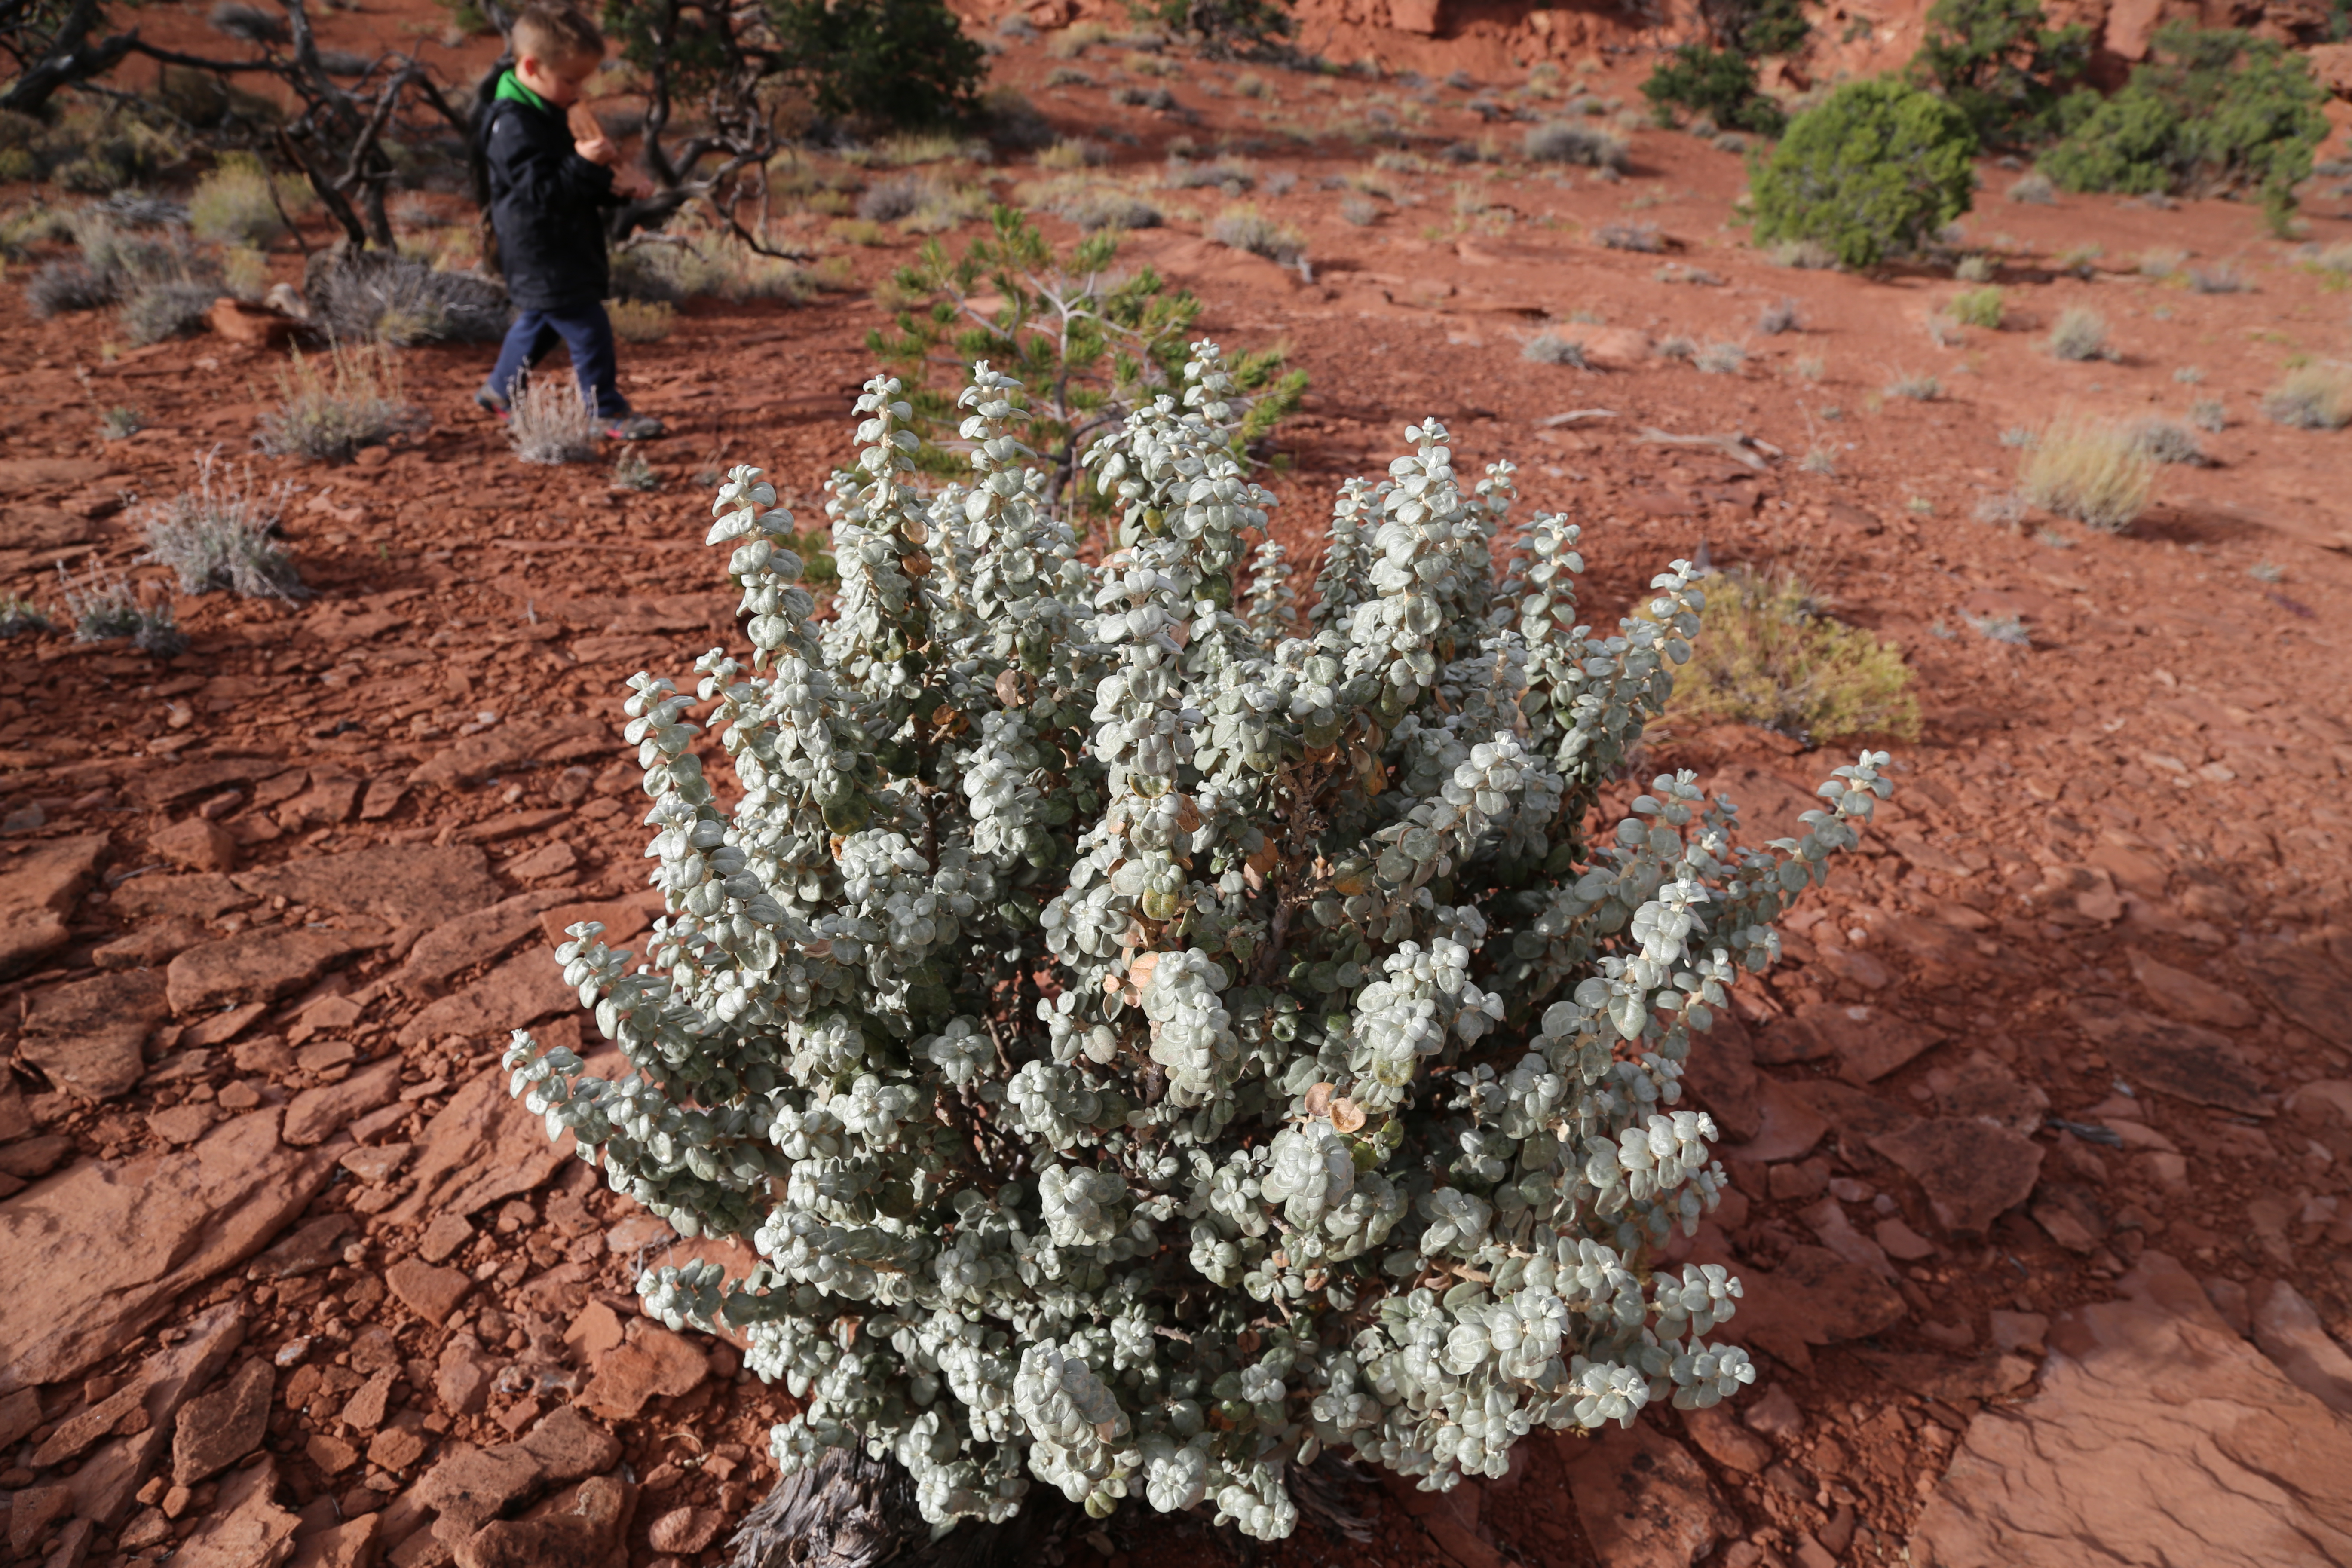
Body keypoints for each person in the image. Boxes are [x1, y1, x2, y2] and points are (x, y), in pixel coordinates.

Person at [470, 2, 664, 441]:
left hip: (559, 245)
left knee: (540, 320)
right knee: (585, 322)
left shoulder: (546, 109)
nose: (578, 90)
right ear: (533, 66)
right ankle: (605, 409)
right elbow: (541, 190)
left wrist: (612, 188)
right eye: (571, 80)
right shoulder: (512, 124)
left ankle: (499, 391)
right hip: (541, 249)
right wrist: (583, 165)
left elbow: (567, 185)